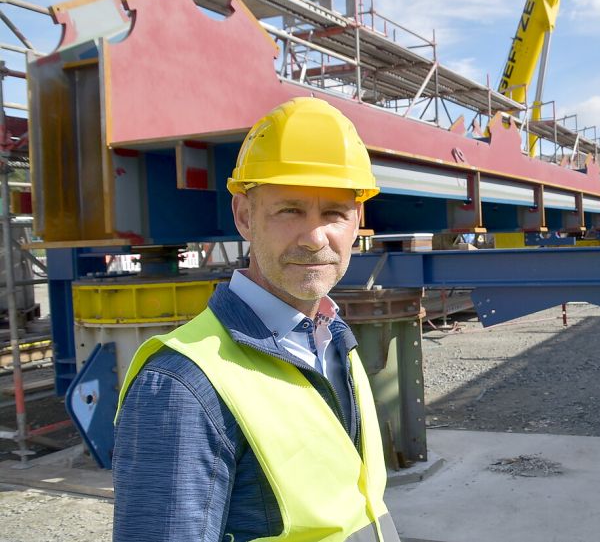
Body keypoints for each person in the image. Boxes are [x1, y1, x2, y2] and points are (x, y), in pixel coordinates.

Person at [112, 97, 400, 542]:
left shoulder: (333, 338)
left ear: (356, 220)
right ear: (245, 215)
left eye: (334, 214)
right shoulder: (183, 385)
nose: (314, 237)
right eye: (290, 210)